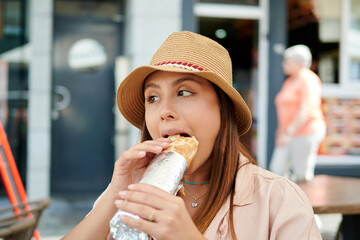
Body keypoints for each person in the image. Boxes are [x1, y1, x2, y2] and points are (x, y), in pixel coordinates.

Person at [63, 32, 321, 239]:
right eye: (152, 98)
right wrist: (115, 196)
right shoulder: (133, 188)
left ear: (224, 109)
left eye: (184, 92)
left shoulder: (279, 200)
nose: (163, 112)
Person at [270, 45, 326, 183]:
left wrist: (288, 132)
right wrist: (280, 132)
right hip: (288, 133)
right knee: (275, 171)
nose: (283, 64)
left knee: (302, 175)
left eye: (287, 61)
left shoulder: (308, 79)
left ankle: (306, 203)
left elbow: (306, 109)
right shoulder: (290, 81)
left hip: (304, 132)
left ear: (298, 63)